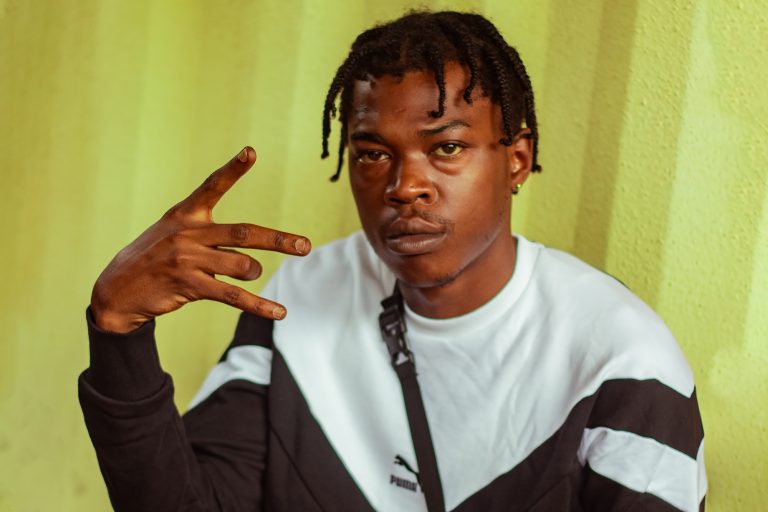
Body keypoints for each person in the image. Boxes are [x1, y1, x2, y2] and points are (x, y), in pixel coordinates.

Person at [79, 10, 706, 512]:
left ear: (516, 159)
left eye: (447, 147)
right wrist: (118, 334)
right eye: (373, 153)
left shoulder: (621, 361)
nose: (406, 187)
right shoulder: (305, 293)